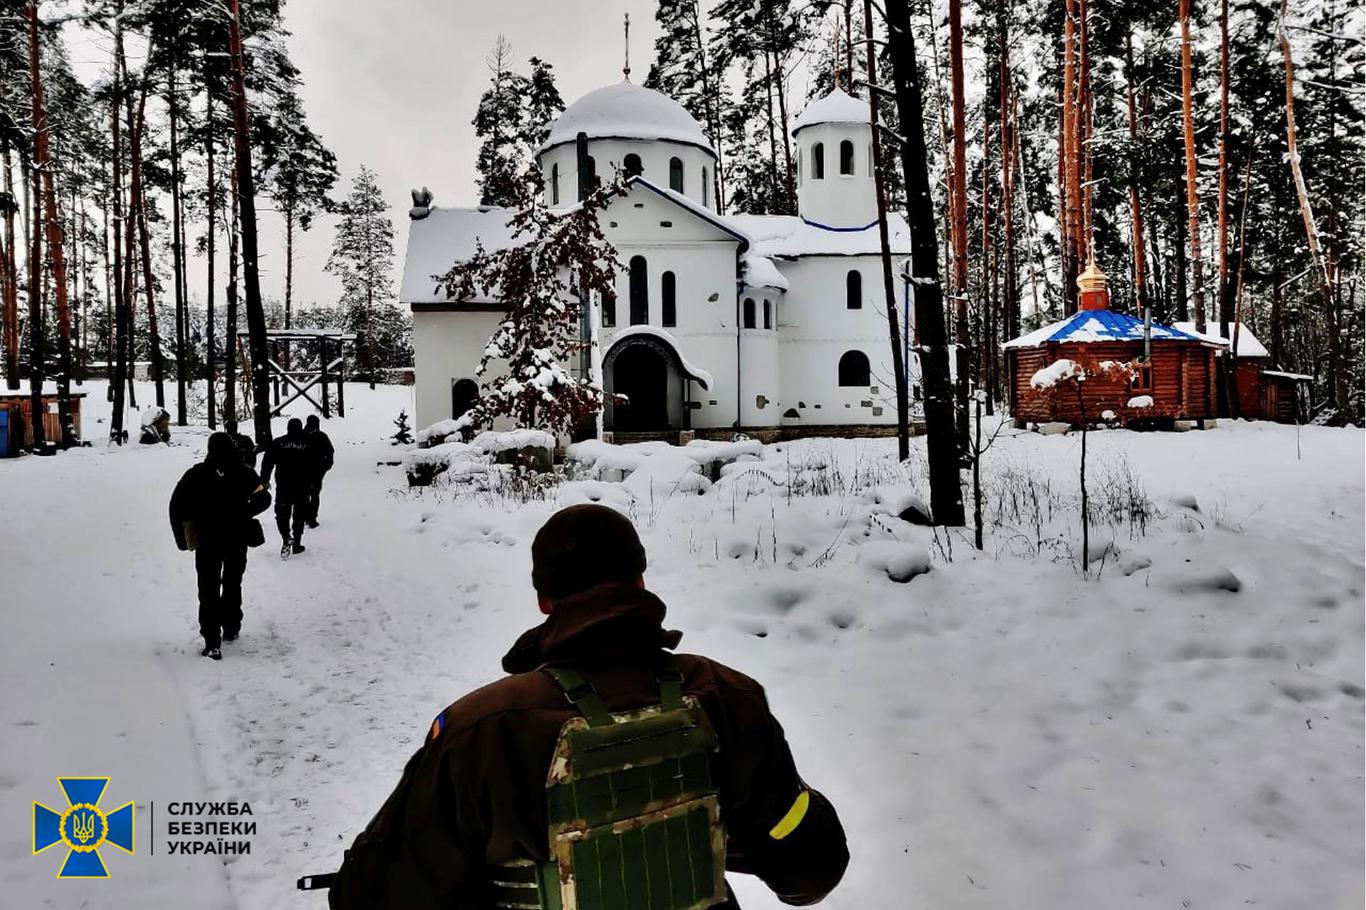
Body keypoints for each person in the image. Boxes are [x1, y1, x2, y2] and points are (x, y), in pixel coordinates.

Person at [327, 504, 849, 910]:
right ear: (640, 582)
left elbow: (378, 897)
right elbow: (811, 868)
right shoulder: (727, 696)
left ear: (543, 600)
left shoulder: (480, 729)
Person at [169, 432, 271, 660]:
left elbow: (176, 505)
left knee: (208, 589)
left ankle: (211, 640)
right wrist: (244, 512)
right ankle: (232, 627)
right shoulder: (244, 472)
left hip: (207, 540)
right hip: (236, 538)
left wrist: (183, 537)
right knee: (233, 583)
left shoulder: (196, 474)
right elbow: (264, 498)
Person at [260, 418, 313, 558]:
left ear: (288, 428)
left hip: (284, 485)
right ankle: (297, 543)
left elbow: (267, 462)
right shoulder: (308, 443)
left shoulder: (278, 442)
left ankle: (286, 537)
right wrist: (314, 481)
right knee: (299, 514)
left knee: (282, 513)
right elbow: (316, 463)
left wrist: (264, 479)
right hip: (303, 485)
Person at [303, 415, 334, 528]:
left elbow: (330, 453)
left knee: (309, 495)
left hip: (312, 470)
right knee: (313, 495)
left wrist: (326, 466)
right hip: (313, 470)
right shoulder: (321, 436)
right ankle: (311, 518)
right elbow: (330, 452)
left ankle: (309, 517)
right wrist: (326, 465)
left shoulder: (303, 436)